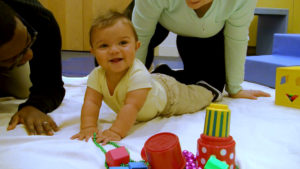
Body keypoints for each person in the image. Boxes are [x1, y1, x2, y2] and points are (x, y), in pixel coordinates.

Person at [71, 12, 221, 144]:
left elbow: (132, 106)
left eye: (123, 43)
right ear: (93, 52)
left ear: (136, 46)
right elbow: (91, 102)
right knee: (155, 80)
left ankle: (209, 90)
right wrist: (88, 127)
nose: (114, 50)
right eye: (104, 46)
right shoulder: (96, 75)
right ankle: (162, 72)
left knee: (194, 97)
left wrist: (116, 131)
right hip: (153, 83)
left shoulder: (138, 74)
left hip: (169, 96)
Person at [132, 0, 271, 100]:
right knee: (133, 61)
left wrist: (235, 87)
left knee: (213, 86)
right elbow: (140, 35)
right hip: (159, 24)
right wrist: (132, 81)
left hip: (205, 34)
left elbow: (236, 38)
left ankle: (162, 74)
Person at [0, 0, 65, 135]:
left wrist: (35, 105)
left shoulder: (39, 17)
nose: (29, 55)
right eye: (15, 57)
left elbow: (50, 85)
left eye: (29, 40)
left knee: (22, 88)